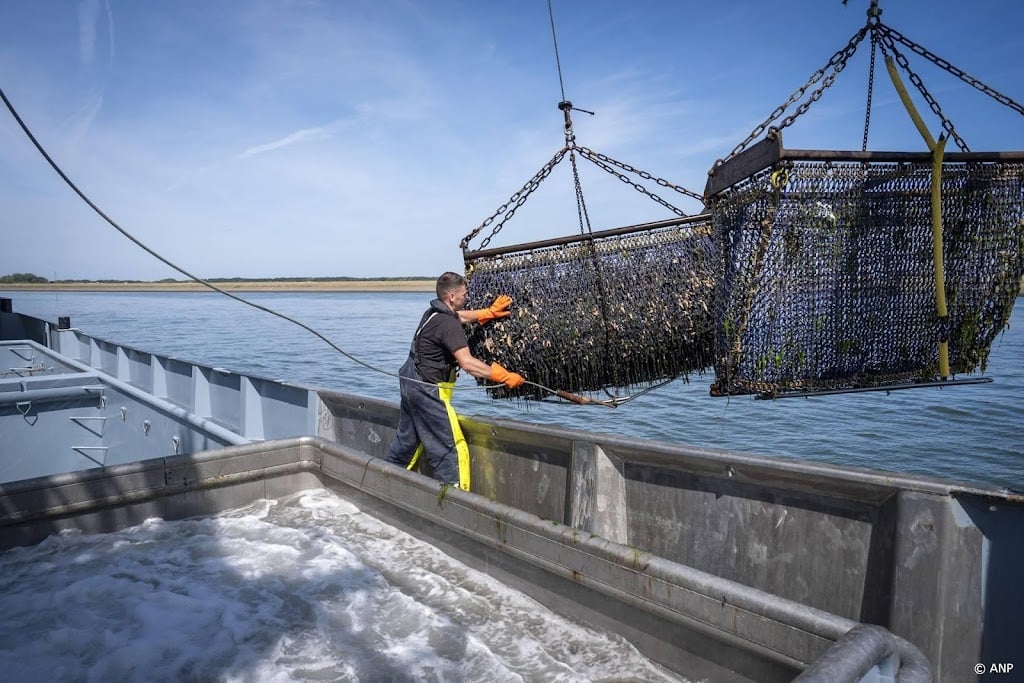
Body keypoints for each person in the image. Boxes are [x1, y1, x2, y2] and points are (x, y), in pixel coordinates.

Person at [384, 271, 524, 491]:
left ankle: (385, 483)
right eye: (464, 294)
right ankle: (454, 496)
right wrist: (503, 376)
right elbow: (467, 363)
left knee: (407, 443)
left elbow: (462, 316)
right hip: (428, 391)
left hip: (410, 383)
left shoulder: (432, 314)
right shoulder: (448, 326)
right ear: (451, 297)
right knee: (451, 447)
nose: (466, 298)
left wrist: (488, 313)